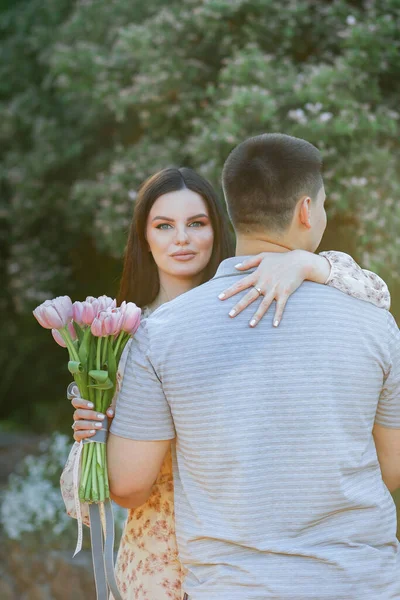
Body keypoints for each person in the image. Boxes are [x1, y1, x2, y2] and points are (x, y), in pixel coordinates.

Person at [65, 153, 393, 599]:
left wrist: (309, 264)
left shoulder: (251, 299)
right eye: (163, 226)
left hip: (229, 563)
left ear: (223, 225)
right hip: (172, 554)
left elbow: (371, 291)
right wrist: (94, 434)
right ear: (142, 237)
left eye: (196, 223)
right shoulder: (126, 336)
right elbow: (117, 484)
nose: (182, 238)